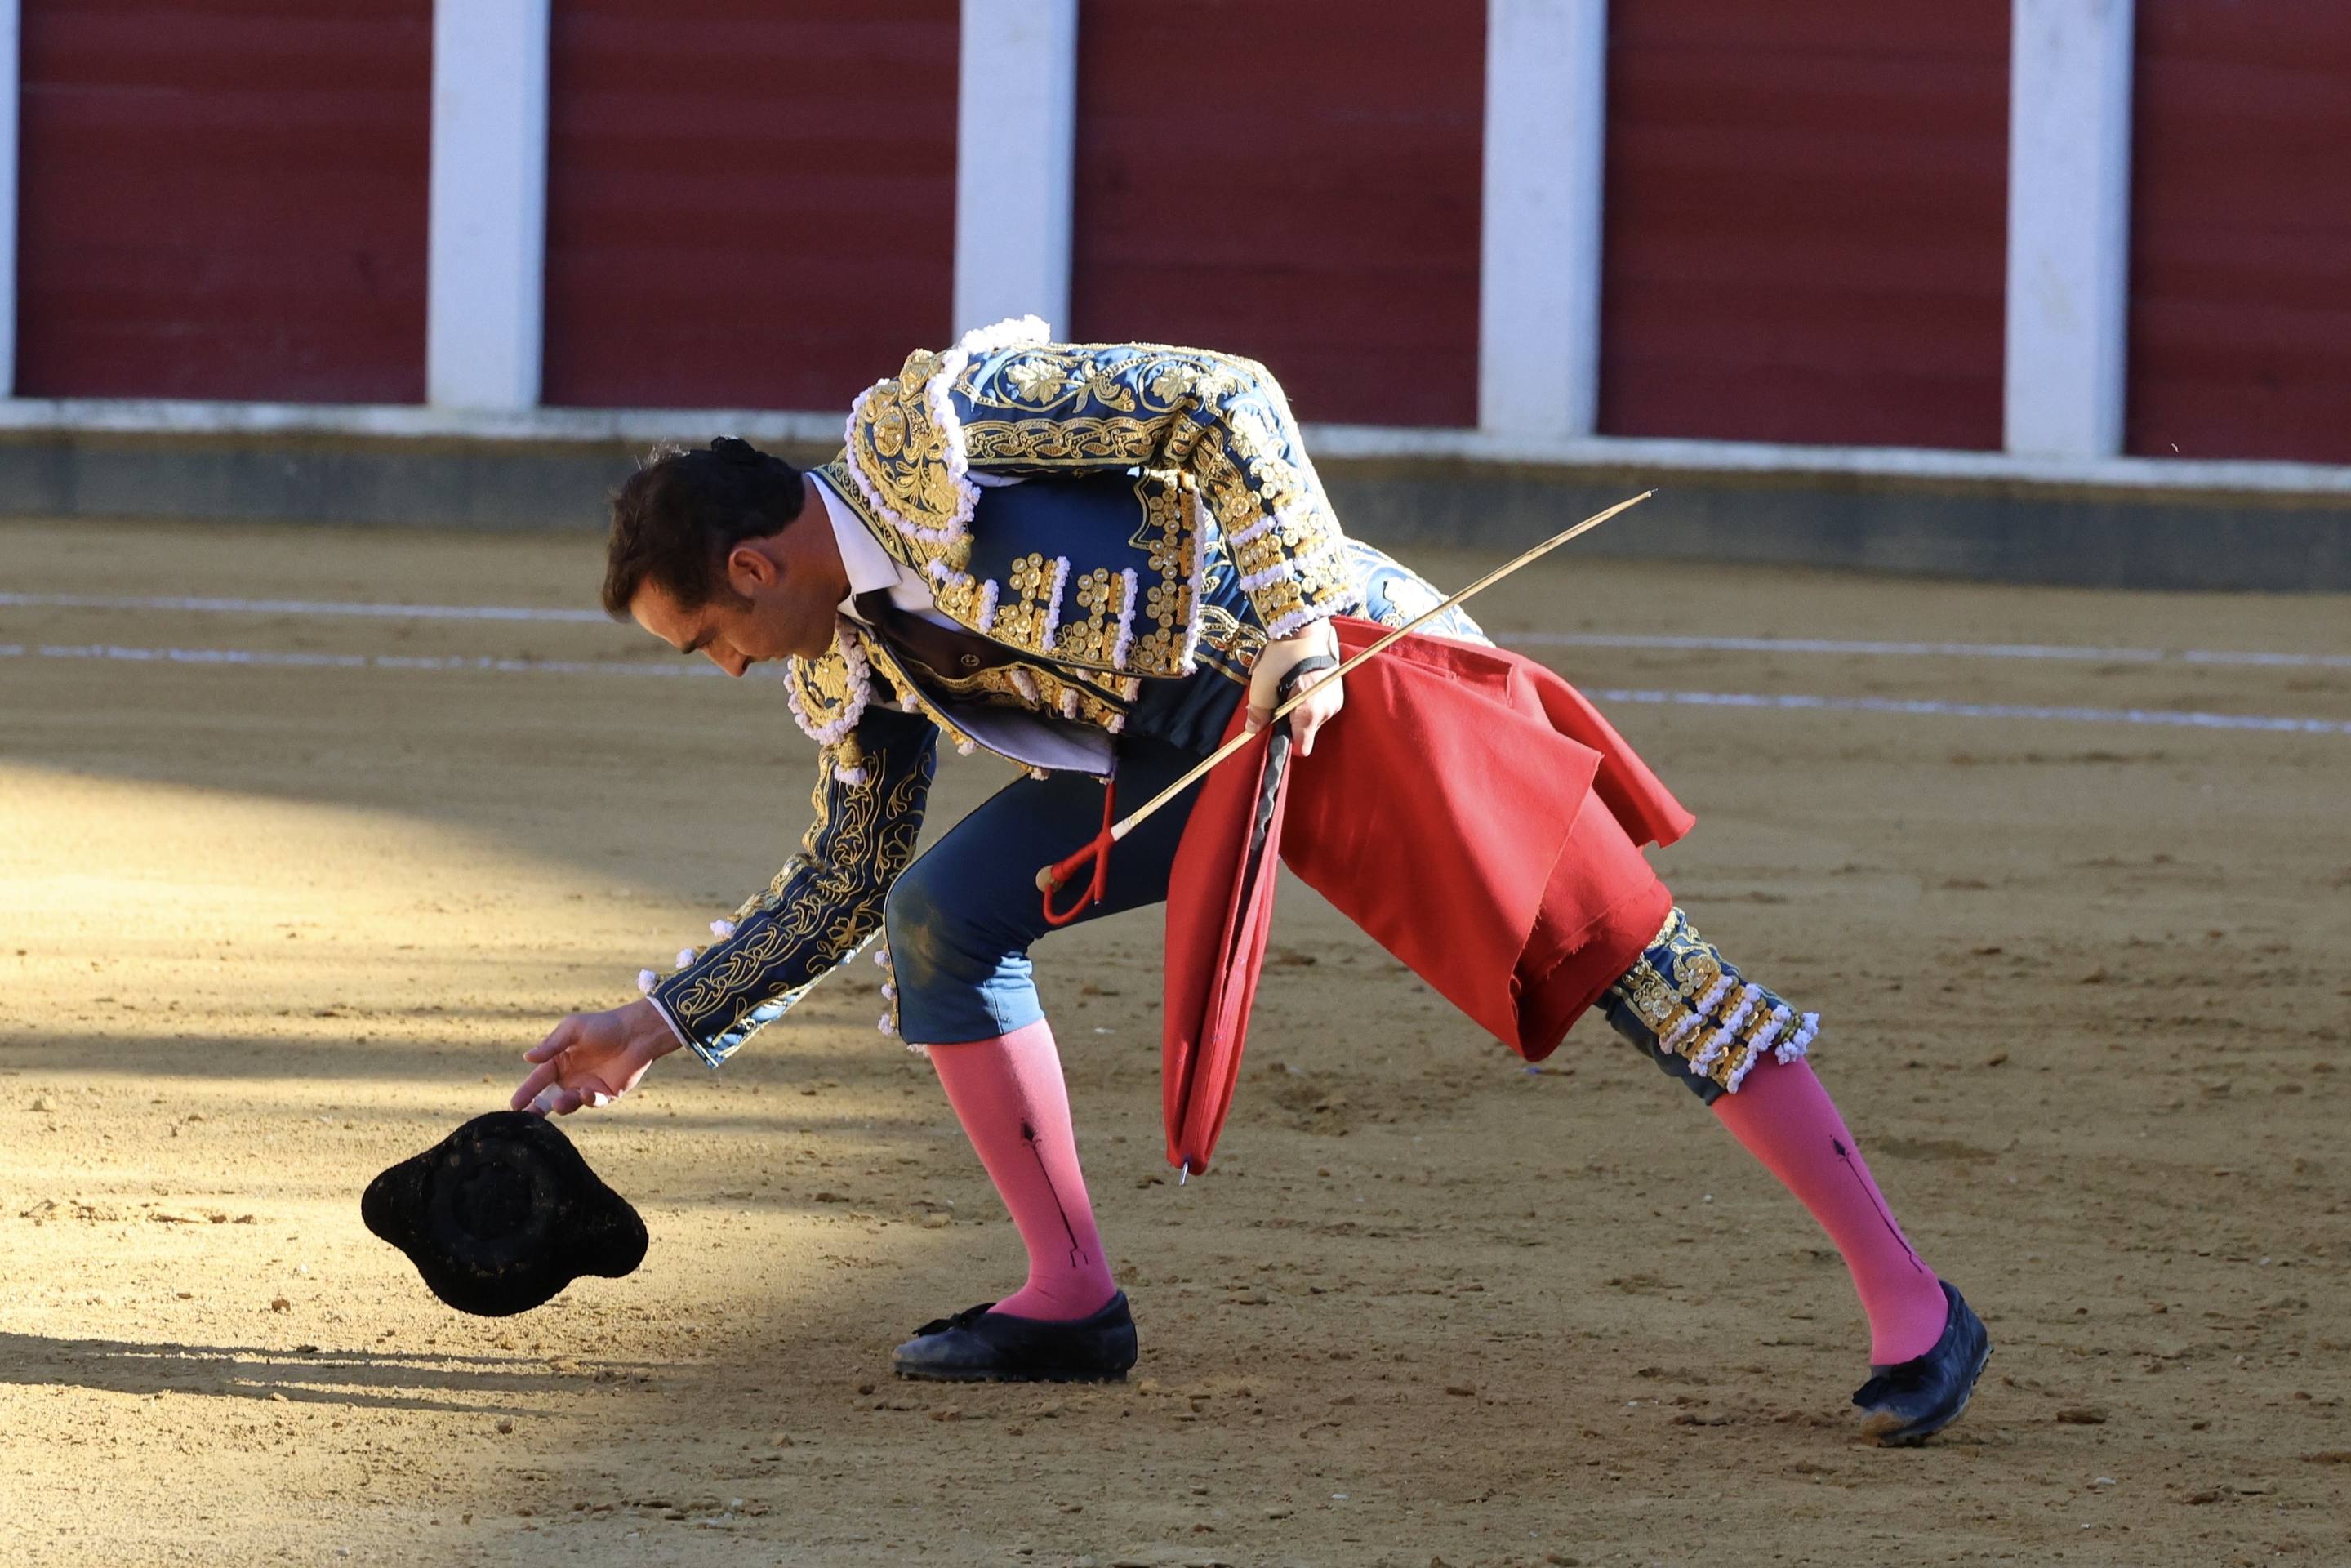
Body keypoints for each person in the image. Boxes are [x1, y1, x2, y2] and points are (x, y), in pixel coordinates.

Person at [509, 318, 1988, 1443]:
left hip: (1360, 682)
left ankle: (1913, 1301)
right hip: (1177, 762)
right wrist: (653, 1025)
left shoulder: (960, 426)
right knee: (938, 916)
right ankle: (1070, 1298)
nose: (725, 668)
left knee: (1627, 959)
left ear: (752, 570)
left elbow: (1224, 398)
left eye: (704, 640)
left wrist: (1301, 623)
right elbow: (846, 877)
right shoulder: (853, 656)